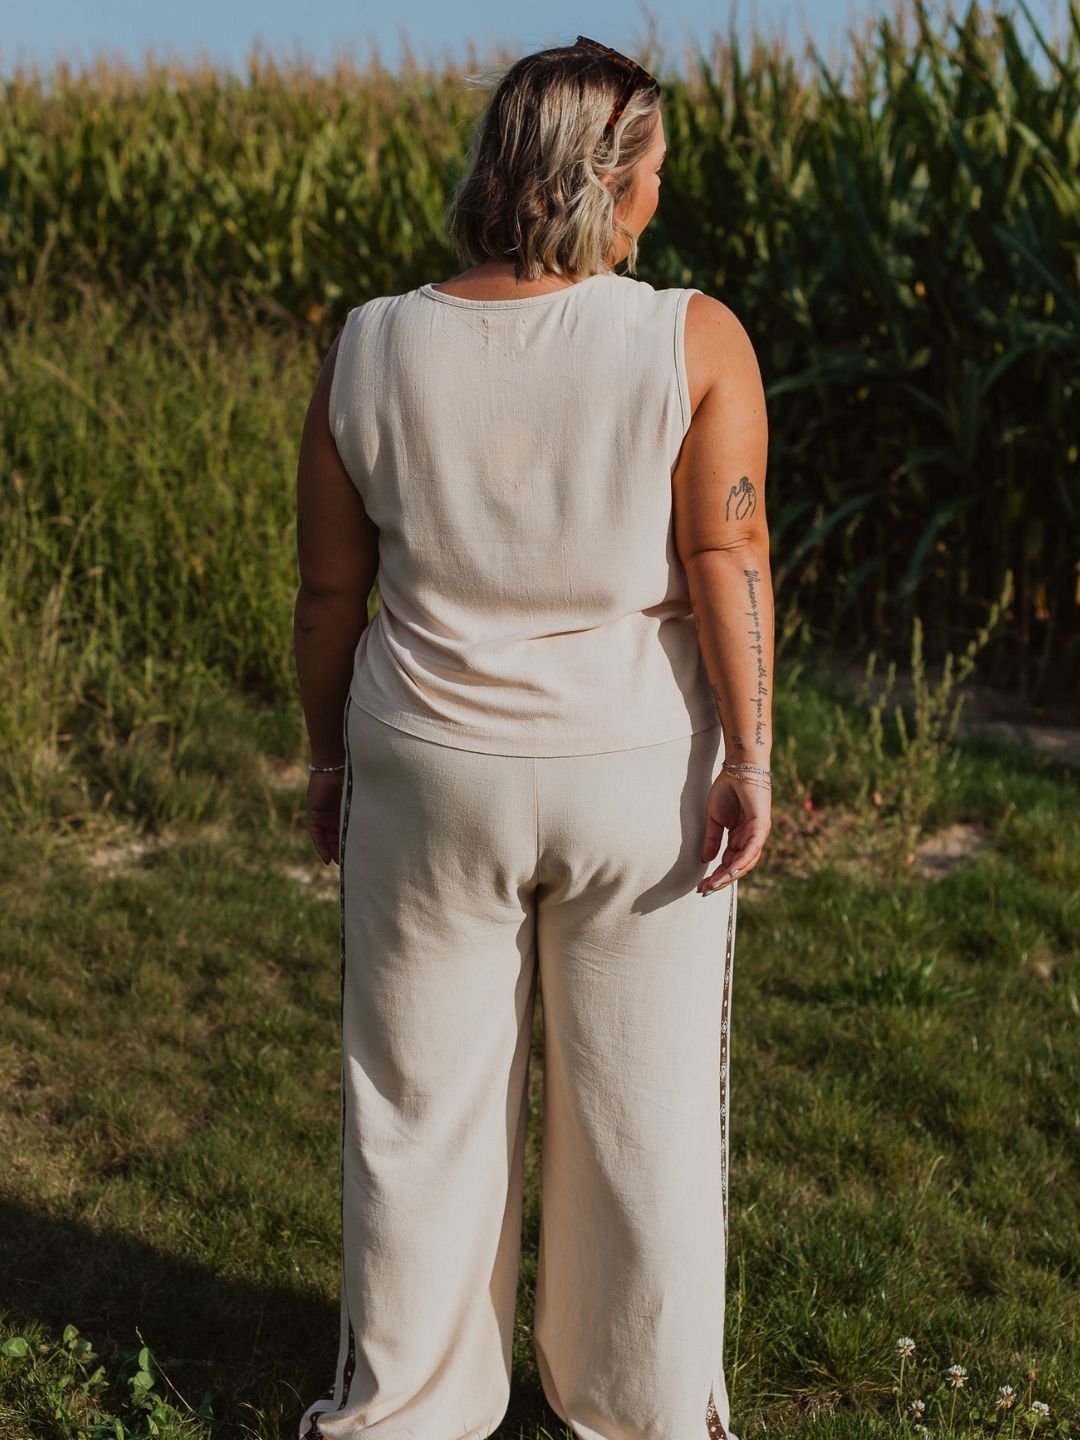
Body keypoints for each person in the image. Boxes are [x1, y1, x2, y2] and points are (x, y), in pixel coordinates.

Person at [291, 33, 773, 1440]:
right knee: (645, 1115)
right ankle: (642, 1409)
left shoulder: (371, 343)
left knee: (420, 1108)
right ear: (603, 180)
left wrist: (327, 759)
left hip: (428, 765)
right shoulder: (692, 335)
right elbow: (728, 555)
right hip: (639, 774)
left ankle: (407, 1410)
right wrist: (750, 756)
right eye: (654, 173)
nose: (661, 199)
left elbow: (329, 594)